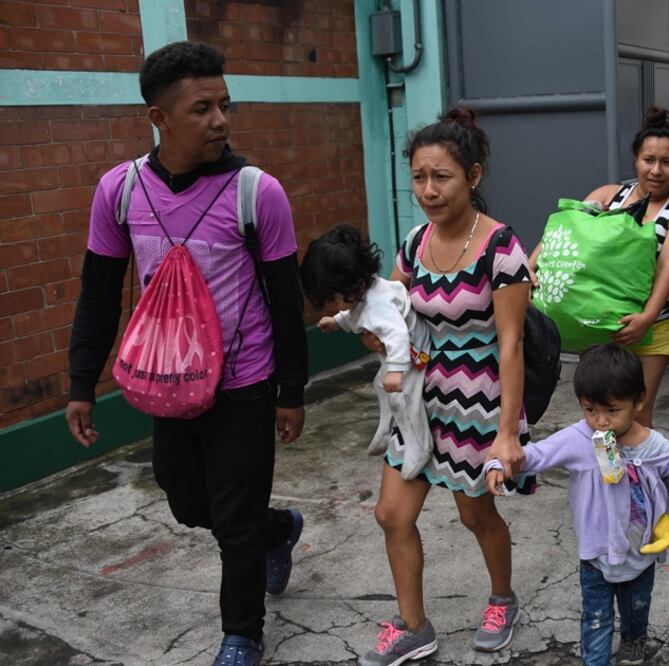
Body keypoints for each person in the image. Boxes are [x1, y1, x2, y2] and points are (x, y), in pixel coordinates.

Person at [65, 42, 308, 666]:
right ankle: (277, 528)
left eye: (225, 105)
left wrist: (292, 390)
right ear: (159, 117)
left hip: (244, 380)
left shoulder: (258, 193)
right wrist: (81, 383)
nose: (221, 121)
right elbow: (97, 296)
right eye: (203, 108)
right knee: (188, 502)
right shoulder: (120, 191)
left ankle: (242, 634)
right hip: (169, 381)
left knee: (232, 516)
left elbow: (285, 301)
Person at [358, 106, 533, 665]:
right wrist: (374, 333)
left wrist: (508, 434)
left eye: (442, 177)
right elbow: (391, 311)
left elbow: (511, 344)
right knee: (391, 514)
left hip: (478, 400)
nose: (428, 190)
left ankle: (502, 598)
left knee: (475, 513)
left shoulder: (501, 249)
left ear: (473, 177)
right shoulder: (413, 243)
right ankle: (413, 626)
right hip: (419, 397)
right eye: (418, 177)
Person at [483, 344, 669, 666]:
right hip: (596, 554)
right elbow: (532, 456)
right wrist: (498, 465)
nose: (600, 421)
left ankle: (634, 638)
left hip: (642, 551)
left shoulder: (655, 447)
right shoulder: (578, 439)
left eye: (612, 411)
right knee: (596, 617)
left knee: (637, 606)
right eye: (590, 410)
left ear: (639, 401)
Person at [529, 107, 669, 428]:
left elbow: (667, 268)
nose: (657, 170)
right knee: (600, 413)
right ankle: (605, 476)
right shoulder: (607, 195)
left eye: (667, 162)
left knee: (637, 415)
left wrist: (646, 317)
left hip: (651, 328)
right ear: (635, 160)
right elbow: (566, 233)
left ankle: (638, 479)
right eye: (649, 160)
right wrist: (530, 265)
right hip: (596, 326)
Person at [300, 225, 433, 479]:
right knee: (380, 385)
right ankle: (387, 428)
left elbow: (397, 334)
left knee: (403, 397)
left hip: (416, 356)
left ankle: (420, 445)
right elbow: (355, 315)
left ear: (356, 285)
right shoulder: (364, 294)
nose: (333, 304)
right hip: (402, 355)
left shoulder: (378, 304)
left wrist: (395, 370)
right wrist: (337, 321)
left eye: (335, 299)